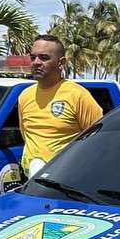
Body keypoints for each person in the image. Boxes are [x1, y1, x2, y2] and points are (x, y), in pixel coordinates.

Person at [17, 34, 102, 176]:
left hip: (66, 181)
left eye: (44, 58)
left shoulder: (78, 95)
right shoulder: (25, 96)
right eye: (33, 57)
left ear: (61, 62)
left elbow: (97, 141)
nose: (36, 62)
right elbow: (25, 134)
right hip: (32, 182)